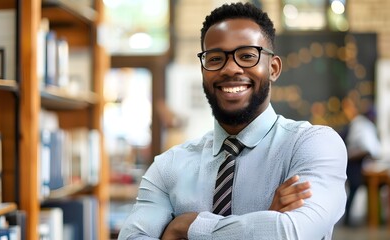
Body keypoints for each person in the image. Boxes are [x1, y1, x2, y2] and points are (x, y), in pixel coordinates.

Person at [118, 2, 347, 239]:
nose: (230, 69)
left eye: (247, 55)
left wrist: (186, 227)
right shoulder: (169, 167)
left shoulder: (312, 145)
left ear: (274, 68)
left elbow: (289, 231)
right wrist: (264, 223)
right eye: (215, 58)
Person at [341, 98, 381, 226]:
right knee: (352, 190)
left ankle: (349, 219)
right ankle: (347, 219)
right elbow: (364, 148)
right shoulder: (360, 125)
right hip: (353, 164)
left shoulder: (363, 125)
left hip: (356, 164)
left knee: (354, 190)